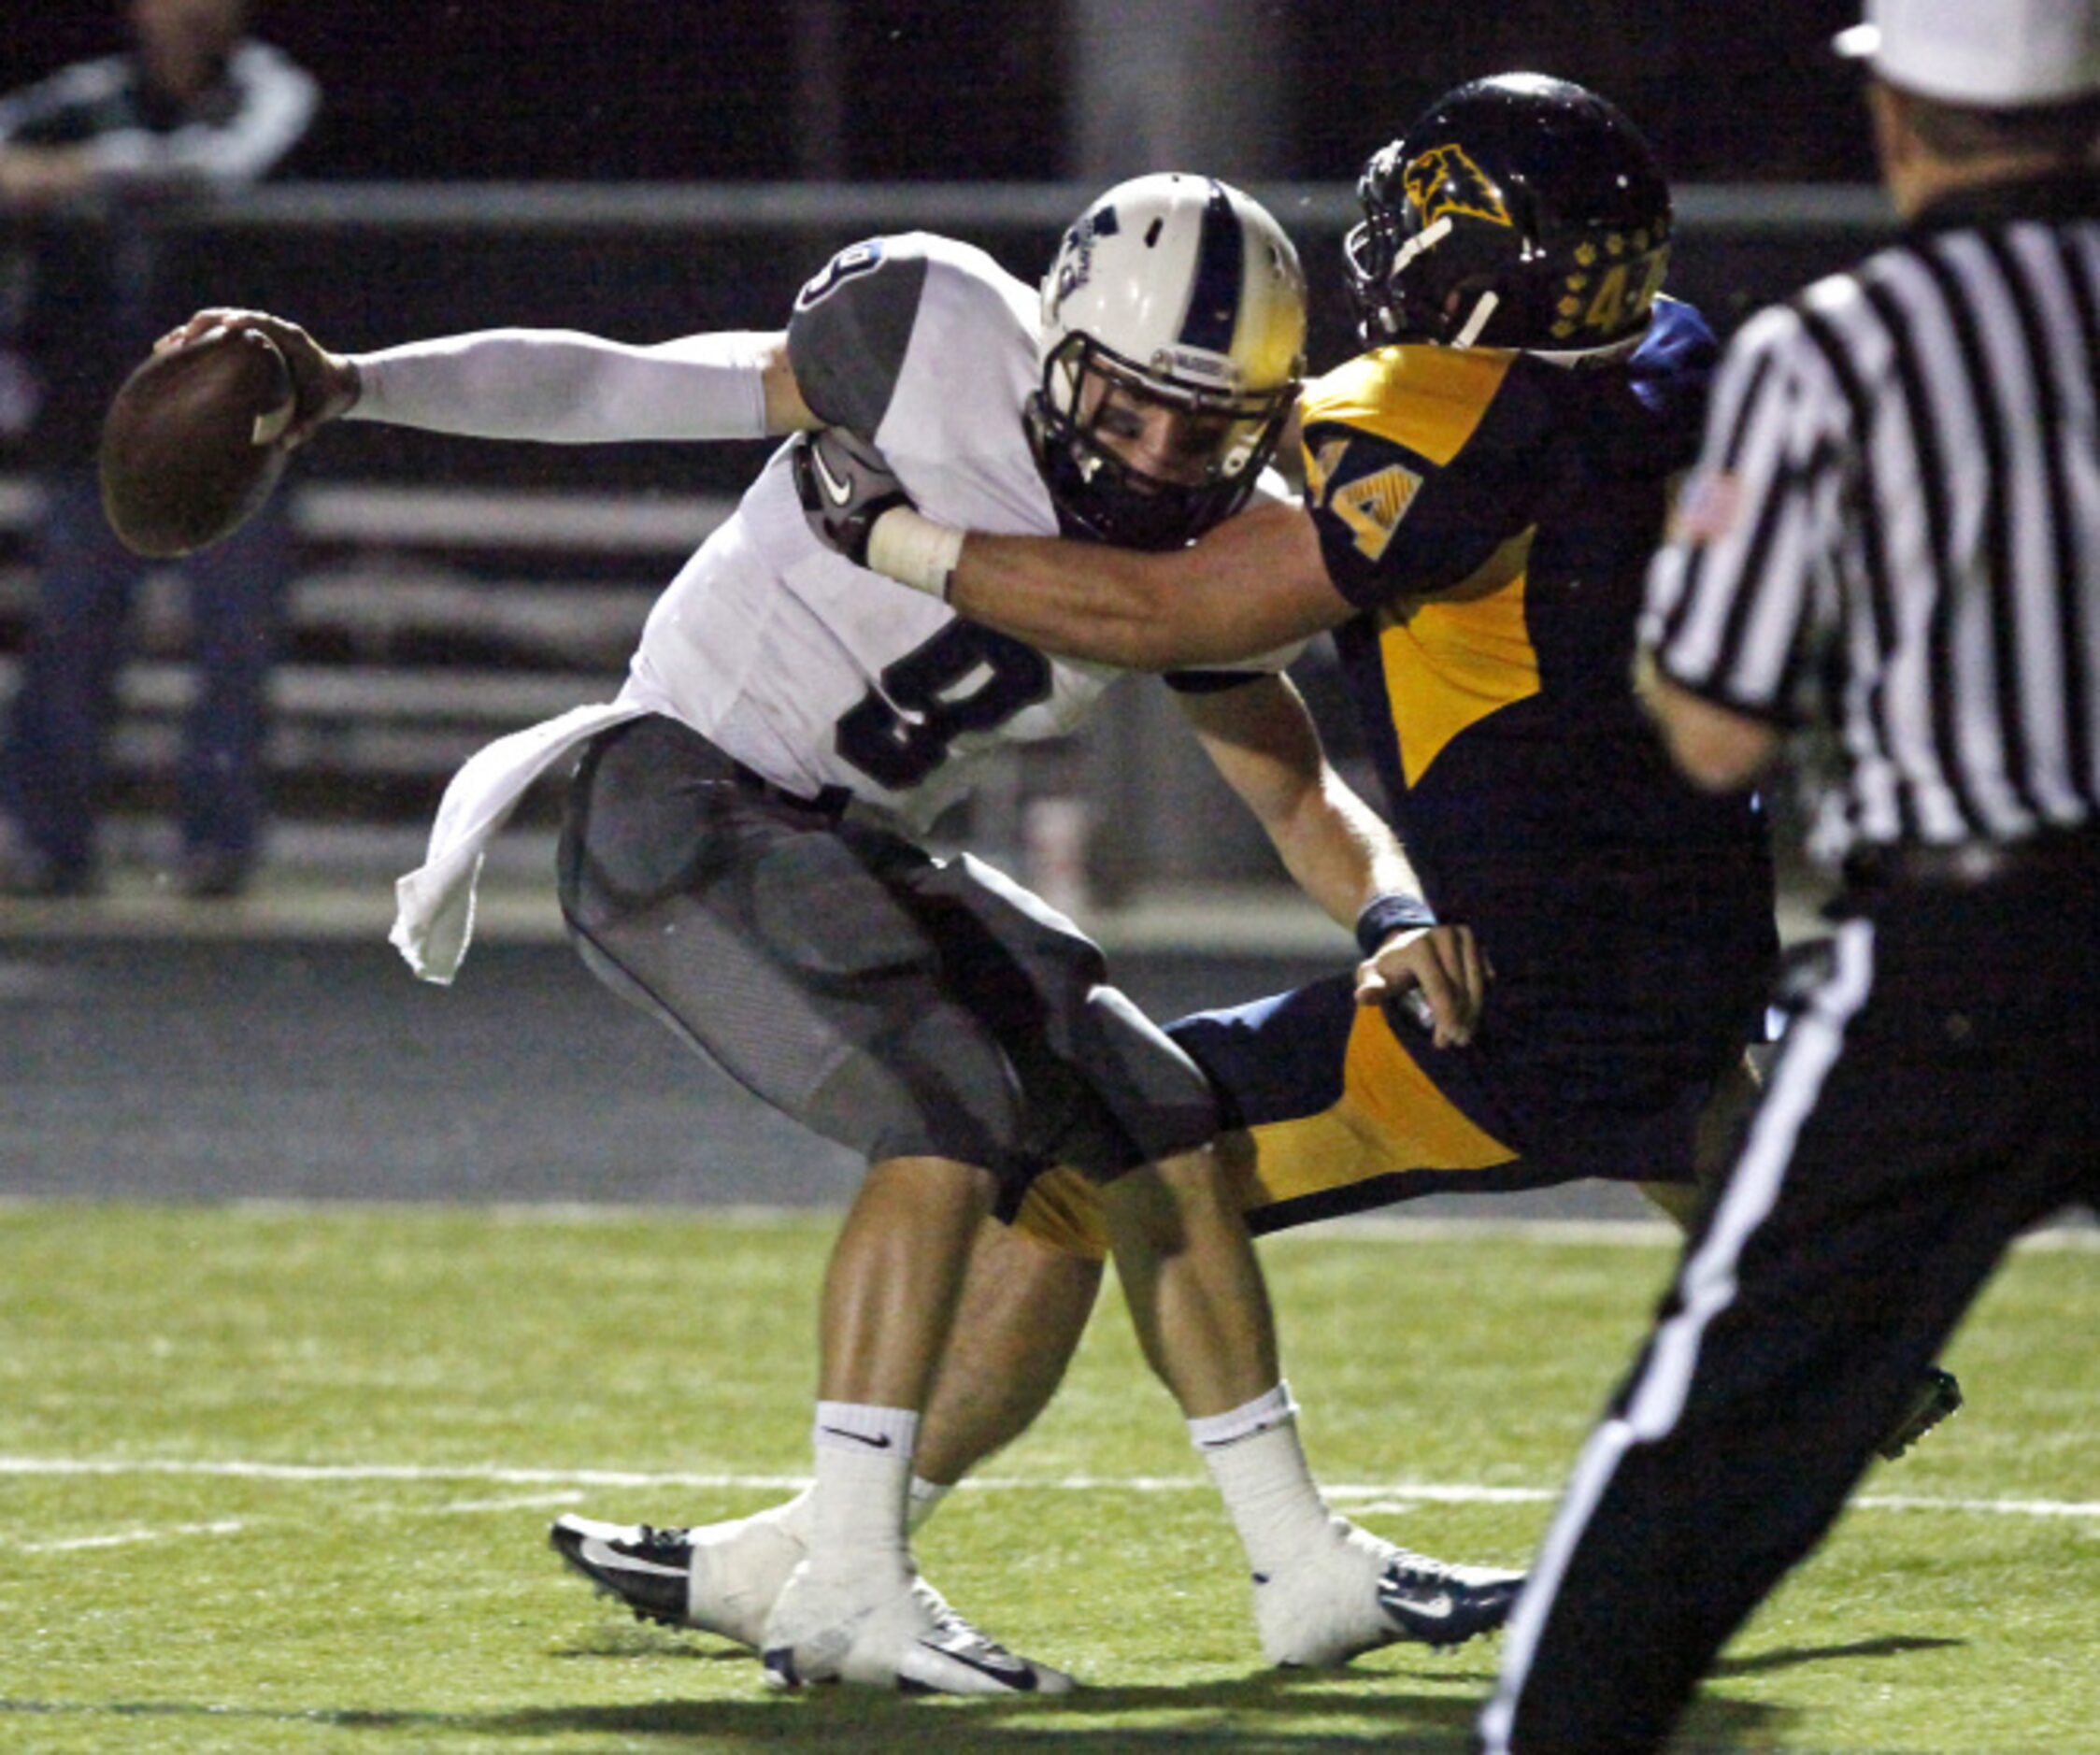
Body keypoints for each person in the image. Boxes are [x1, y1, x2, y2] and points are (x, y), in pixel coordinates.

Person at [178, 172, 1520, 1692]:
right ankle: (852, 1589)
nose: (1155, 456)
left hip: (864, 848)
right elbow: (638, 385)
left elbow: (1293, 789)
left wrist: (1392, 907)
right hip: (684, 793)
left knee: (1155, 1120)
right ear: (1062, 345)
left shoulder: (1232, 554)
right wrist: (361, 384)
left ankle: (1300, 1567)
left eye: (1202, 428)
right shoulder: (936, 329)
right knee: (947, 1103)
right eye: (1129, 406)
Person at [1471, 5, 2100, 1748]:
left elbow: (1717, 722)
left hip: (1967, 946)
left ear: (1899, 115)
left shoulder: (1840, 346)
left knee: (1728, 1421)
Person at [0, 0, 318, 900]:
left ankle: (215, 848)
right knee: (71, 633)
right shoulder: (90, 95)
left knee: (232, 643)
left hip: (239, 428)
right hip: (102, 426)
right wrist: (72, 170)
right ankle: (47, 843)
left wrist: (80, 174)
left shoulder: (268, 89)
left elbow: (224, 170)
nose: (186, 15)